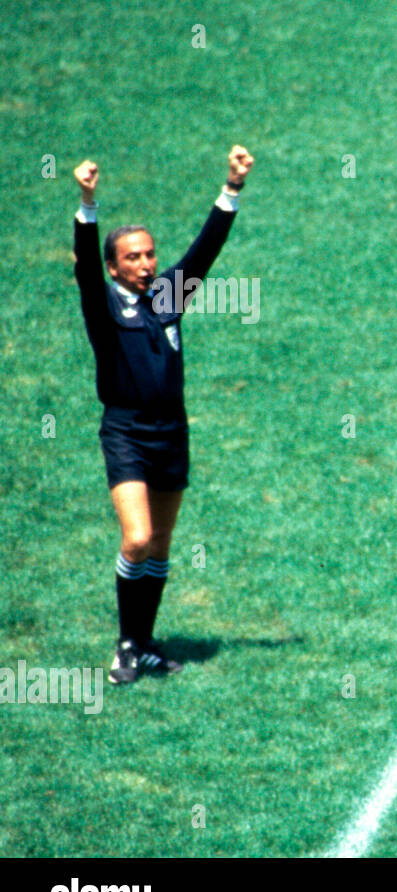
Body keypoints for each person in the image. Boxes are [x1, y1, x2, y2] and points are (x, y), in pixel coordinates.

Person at [72, 146, 254, 684]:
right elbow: (84, 267)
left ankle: (146, 644)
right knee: (136, 538)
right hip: (127, 432)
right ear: (113, 266)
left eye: (150, 254)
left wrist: (232, 187)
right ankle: (126, 645)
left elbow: (205, 251)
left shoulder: (168, 297)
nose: (146, 264)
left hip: (173, 433)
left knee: (160, 545)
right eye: (133, 257)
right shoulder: (103, 306)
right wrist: (87, 203)